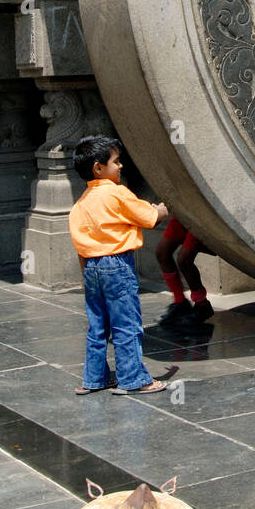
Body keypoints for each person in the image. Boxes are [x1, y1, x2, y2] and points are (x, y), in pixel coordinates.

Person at [68, 134, 169, 396]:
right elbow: (148, 218)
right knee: (126, 323)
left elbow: (81, 247)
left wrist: (87, 277)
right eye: (116, 161)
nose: (121, 166)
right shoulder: (116, 193)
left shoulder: (80, 204)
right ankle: (134, 379)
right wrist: (162, 209)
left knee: (98, 326)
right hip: (117, 265)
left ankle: (94, 379)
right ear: (98, 168)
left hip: (91, 267)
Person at [156, 215, 215, 328]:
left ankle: (202, 305)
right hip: (183, 213)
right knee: (162, 252)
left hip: (201, 216)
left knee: (184, 260)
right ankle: (180, 302)